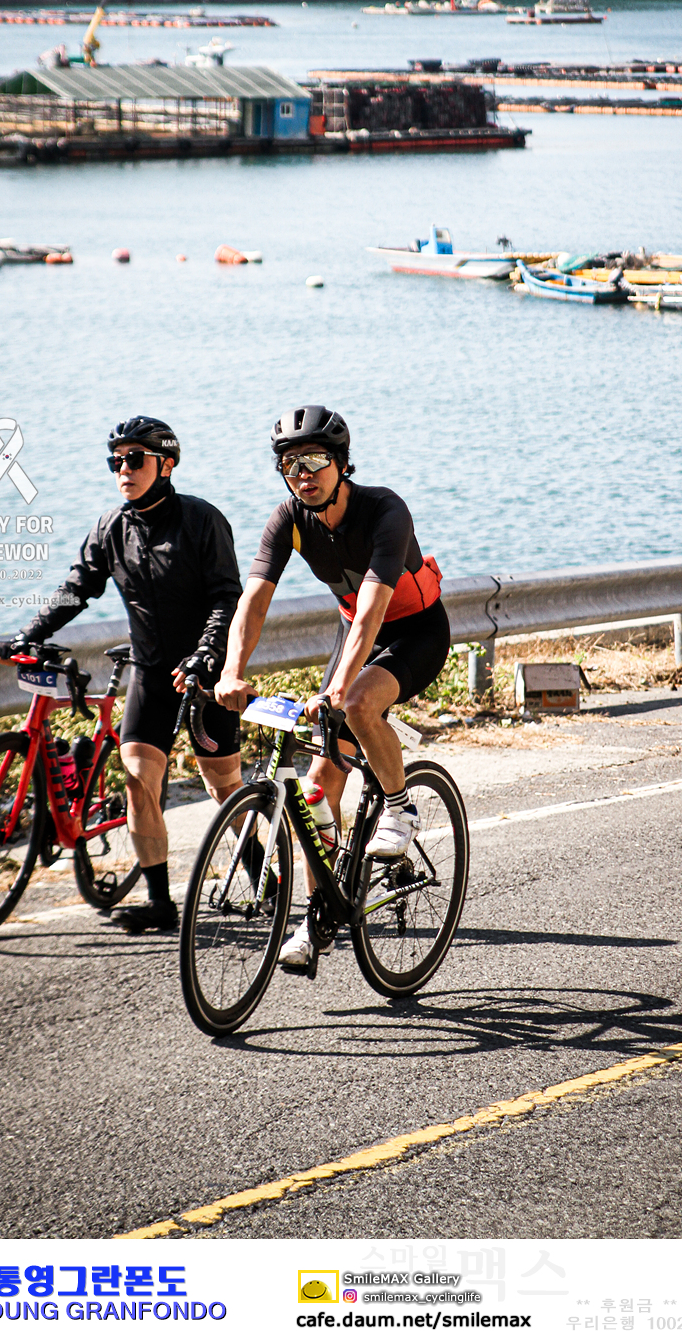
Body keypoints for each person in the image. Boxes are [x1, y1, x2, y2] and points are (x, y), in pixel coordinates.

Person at [215, 406, 451, 968]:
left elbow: (372, 610)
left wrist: (339, 689)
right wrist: (231, 671)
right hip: (354, 637)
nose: (304, 474)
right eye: (290, 464)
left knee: (360, 704)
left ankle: (399, 807)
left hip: (414, 632)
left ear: (342, 463)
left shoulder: (385, 509)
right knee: (319, 785)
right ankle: (318, 917)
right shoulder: (288, 519)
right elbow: (253, 602)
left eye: (316, 459)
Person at [0, 416, 243, 933]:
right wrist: (28, 634)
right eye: (115, 461)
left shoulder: (201, 519)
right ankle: (160, 903)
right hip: (151, 675)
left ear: (166, 464)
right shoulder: (112, 527)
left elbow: (227, 596)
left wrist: (206, 653)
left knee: (224, 790)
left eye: (134, 459)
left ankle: (267, 870)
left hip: (203, 675)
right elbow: (77, 587)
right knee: (137, 781)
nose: (122, 469)